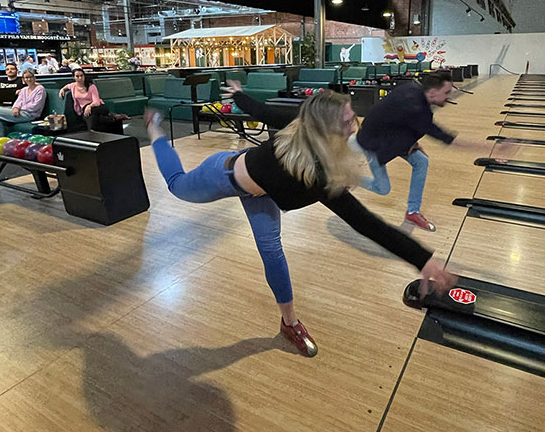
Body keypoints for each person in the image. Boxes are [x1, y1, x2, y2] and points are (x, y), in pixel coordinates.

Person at [145, 90, 454, 359]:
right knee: (176, 184)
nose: (354, 125)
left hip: (259, 187)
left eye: (352, 116)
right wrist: (421, 259)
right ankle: (156, 131)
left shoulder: (308, 127)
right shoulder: (311, 173)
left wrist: (238, 94)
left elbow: (264, 112)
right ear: (324, 128)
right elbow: (366, 223)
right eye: (347, 122)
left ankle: (289, 323)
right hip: (222, 177)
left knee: (273, 252)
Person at [353, 70, 496, 231]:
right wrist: (492, 148)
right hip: (372, 144)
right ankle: (351, 178)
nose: (449, 96)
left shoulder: (412, 90)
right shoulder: (418, 109)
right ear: (433, 92)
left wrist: (411, 142)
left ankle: (413, 211)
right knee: (383, 189)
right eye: (447, 92)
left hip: (389, 137)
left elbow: (398, 119)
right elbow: (449, 139)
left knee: (421, 160)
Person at [58, 68, 123, 130]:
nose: (80, 78)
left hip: (98, 107)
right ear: (74, 77)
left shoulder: (91, 86)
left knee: (90, 113)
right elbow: (67, 86)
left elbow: (97, 102)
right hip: (84, 109)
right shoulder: (73, 86)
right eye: (77, 76)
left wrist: (89, 106)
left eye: (81, 76)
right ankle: (112, 118)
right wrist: (62, 89)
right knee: (92, 117)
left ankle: (91, 131)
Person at [0, 69, 46, 137]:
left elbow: (36, 106)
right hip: (19, 112)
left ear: (34, 78)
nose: (29, 79)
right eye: (26, 78)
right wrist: (16, 107)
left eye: (30, 77)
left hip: (30, 115)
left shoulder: (40, 89)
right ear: (23, 79)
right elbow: (18, 101)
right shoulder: (24, 89)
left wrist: (19, 108)